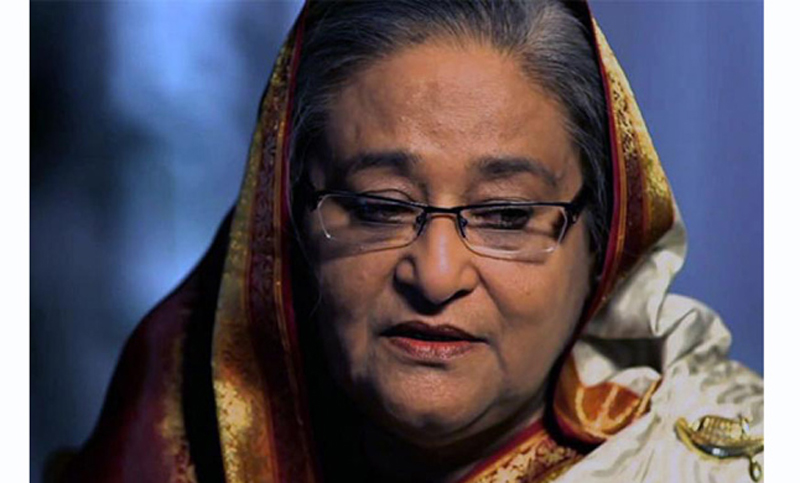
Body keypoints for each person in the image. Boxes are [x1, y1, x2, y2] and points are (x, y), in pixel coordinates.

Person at [54, 1, 763, 482]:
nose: (436, 273)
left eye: (507, 215)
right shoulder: (163, 454)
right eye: (377, 207)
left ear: (604, 245)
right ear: (287, 223)